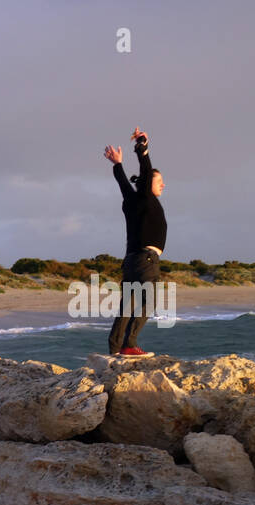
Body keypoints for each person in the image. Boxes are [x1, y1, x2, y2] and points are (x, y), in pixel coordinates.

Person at [104, 126, 167, 357]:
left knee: (126, 307)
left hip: (131, 261)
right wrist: (142, 146)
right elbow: (145, 170)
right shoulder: (145, 197)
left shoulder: (131, 199)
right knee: (148, 302)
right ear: (148, 181)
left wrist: (118, 165)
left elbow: (123, 184)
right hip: (146, 260)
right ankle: (129, 344)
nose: (163, 184)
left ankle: (115, 348)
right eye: (159, 180)